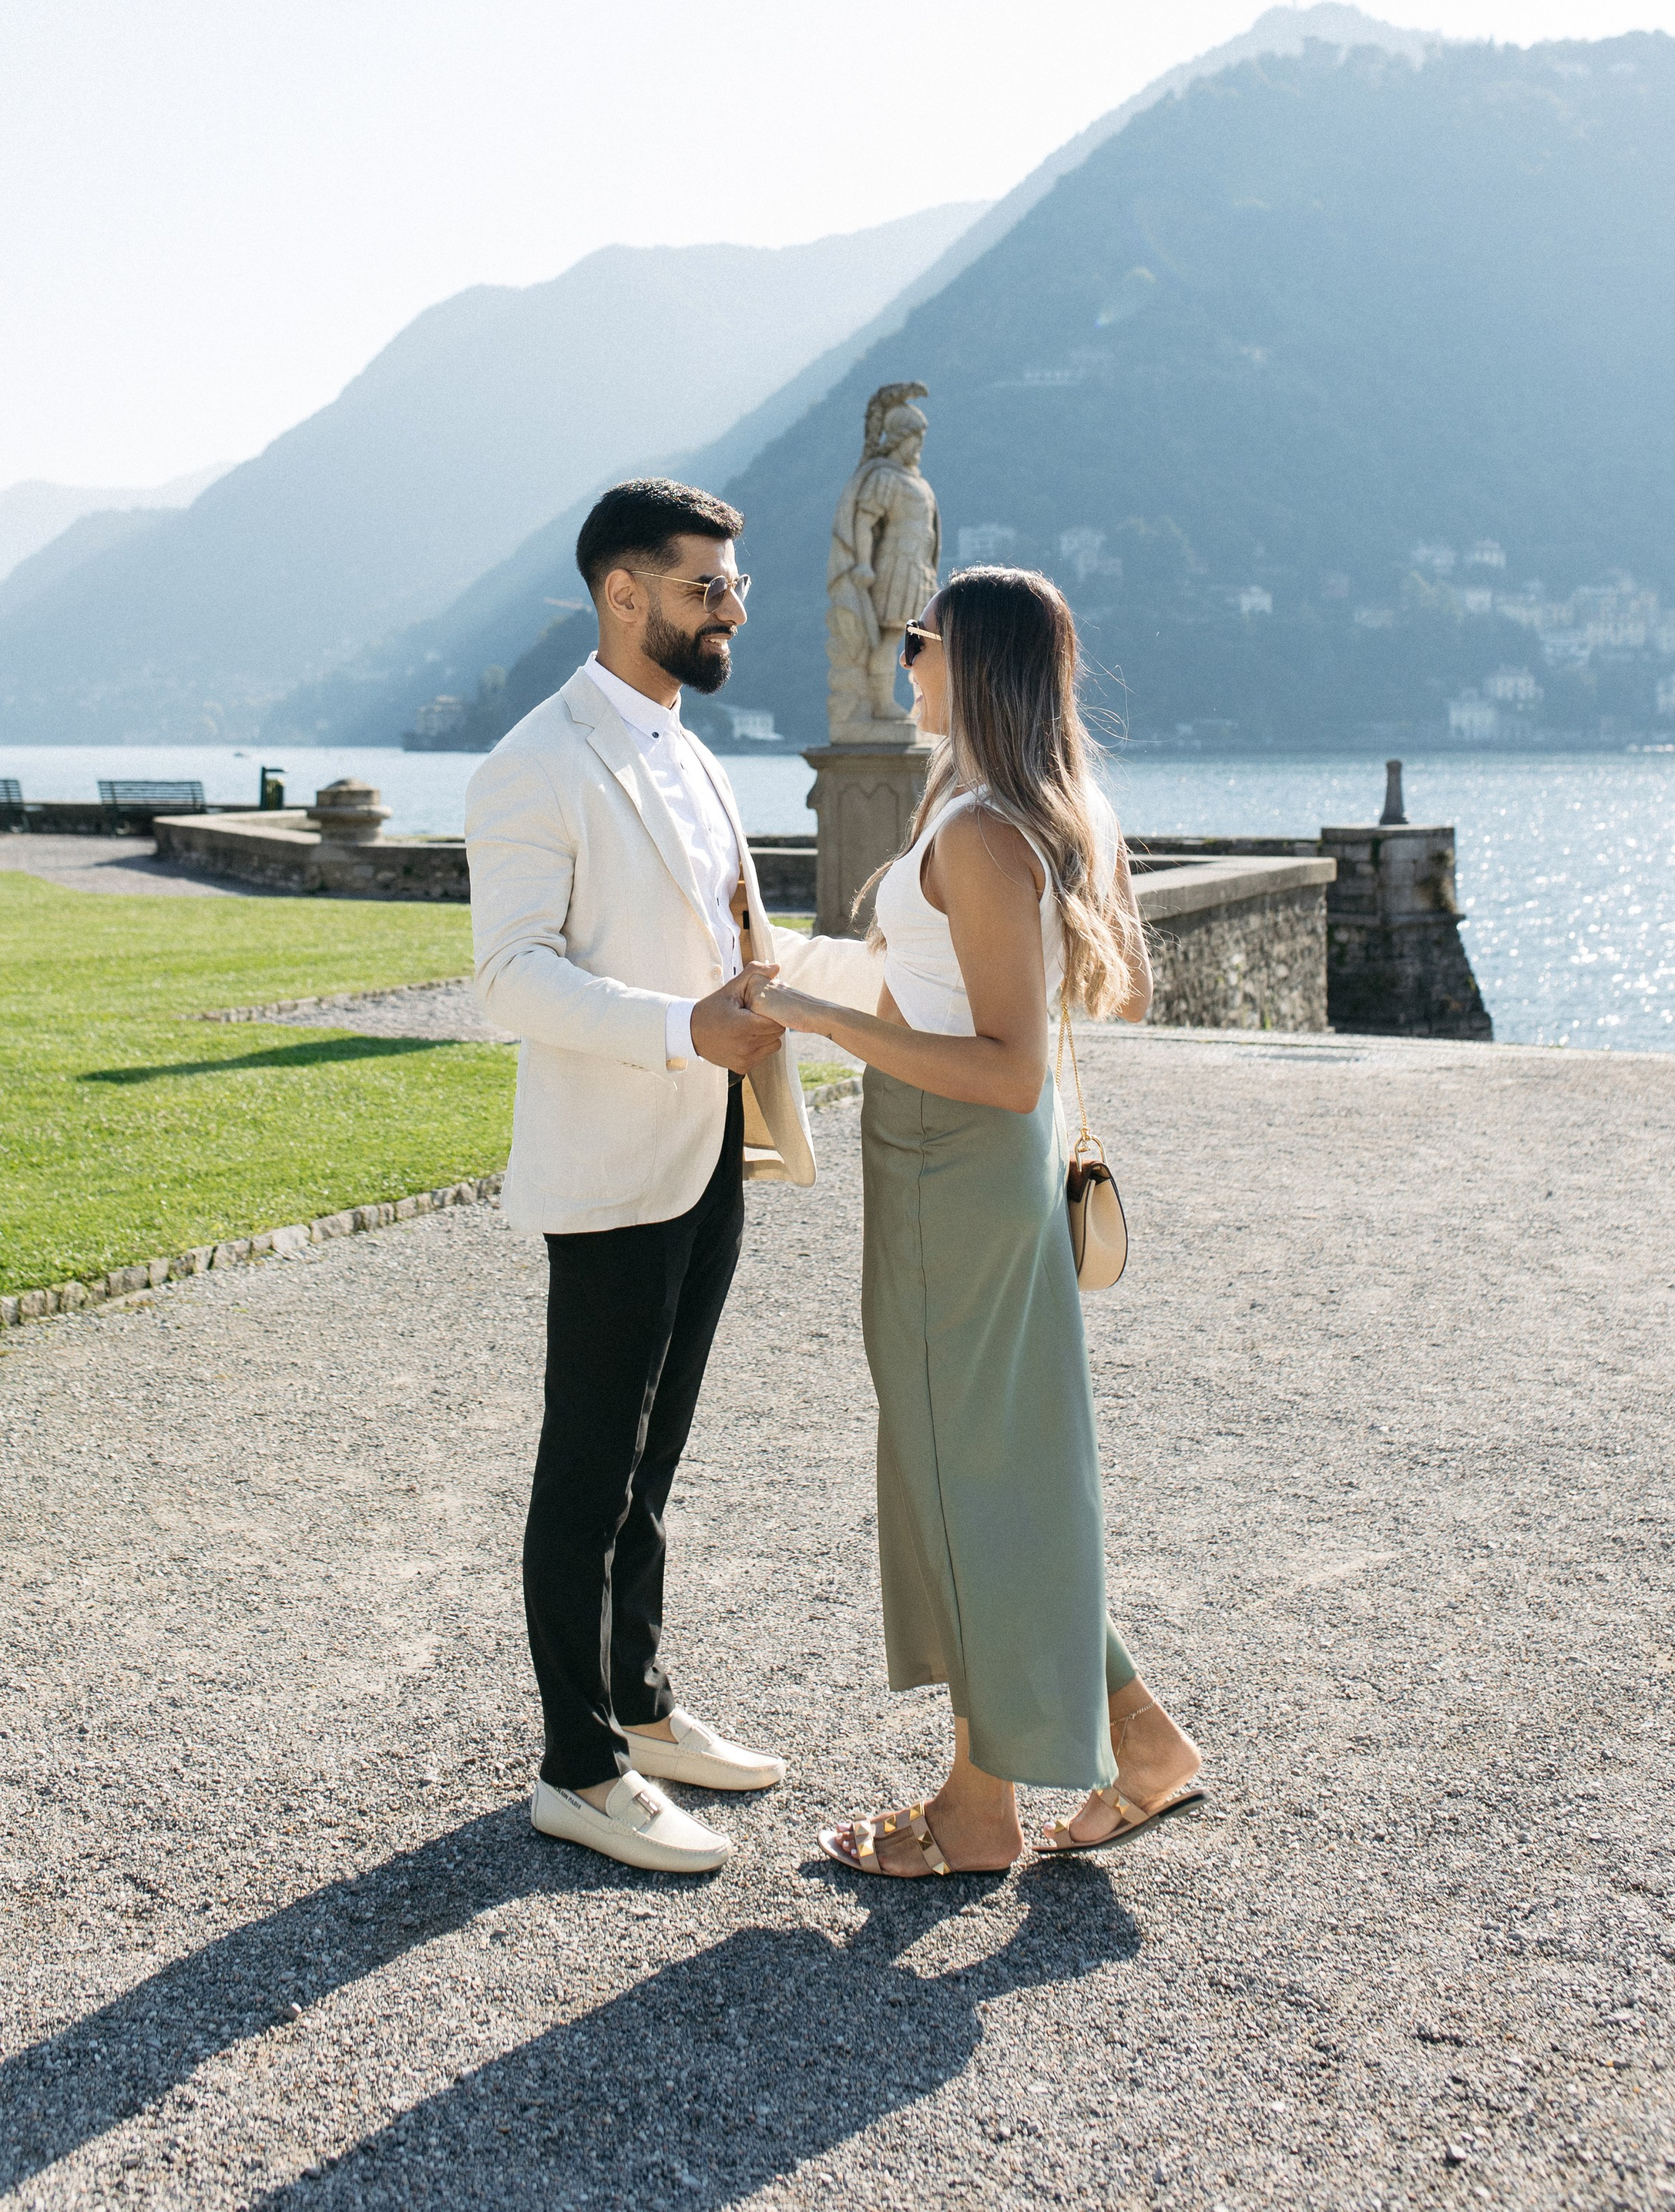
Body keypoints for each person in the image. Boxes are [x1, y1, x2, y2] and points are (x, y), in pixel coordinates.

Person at [747, 566, 1206, 1877]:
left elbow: (1005, 1061)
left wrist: (823, 1025)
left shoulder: (983, 829)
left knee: (968, 1477)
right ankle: (1141, 1741)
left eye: (919, 642)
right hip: (968, 1161)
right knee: (994, 1469)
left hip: (962, 1160)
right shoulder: (1019, 809)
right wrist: (796, 970)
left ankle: (975, 1808)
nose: (903, 663)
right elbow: (951, 992)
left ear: (974, 663)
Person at [465, 478, 882, 1875]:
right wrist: (677, 1032)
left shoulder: (697, 757)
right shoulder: (535, 762)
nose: (734, 610)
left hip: (713, 1147)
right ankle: (574, 1765)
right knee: (583, 1470)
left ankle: (635, 1705)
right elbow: (511, 979)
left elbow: (726, 937)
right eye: (708, 587)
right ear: (623, 594)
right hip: (610, 1159)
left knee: (655, 1460)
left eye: (735, 587)